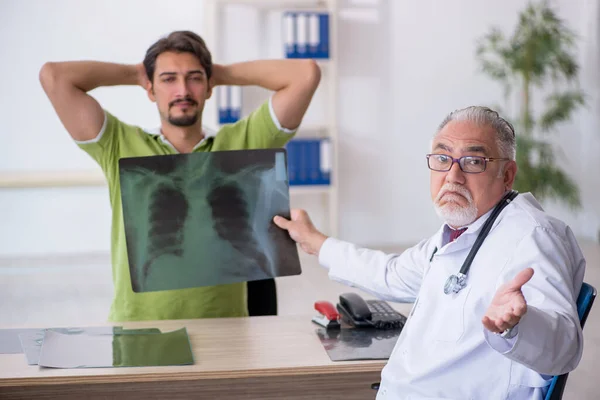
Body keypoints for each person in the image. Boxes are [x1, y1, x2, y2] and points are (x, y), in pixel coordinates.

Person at [274, 106, 586, 399]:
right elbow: (390, 274)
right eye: (442, 159)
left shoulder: (534, 235)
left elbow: (565, 349)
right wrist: (313, 239)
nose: (452, 176)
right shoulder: (459, 232)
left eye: (473, 161)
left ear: (506, 174)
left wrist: (516, 325)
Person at [39, 30, 321, 322]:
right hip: (139, 329)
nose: (183, 91)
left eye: (194, 78)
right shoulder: (118, 144)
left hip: (226, 329)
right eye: (168, 79)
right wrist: (136, 73)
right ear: (150, 89)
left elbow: (305, 73)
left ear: (210, 87)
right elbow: (54, 77)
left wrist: (218, 73)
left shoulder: (244, 142)